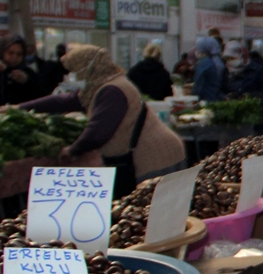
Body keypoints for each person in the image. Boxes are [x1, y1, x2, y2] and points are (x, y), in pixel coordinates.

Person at [17, 45, 185, 198]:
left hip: (155, 157)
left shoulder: (112, 90)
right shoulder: (100, 87)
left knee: (153, 211)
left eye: (74, 70)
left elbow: (98, 132)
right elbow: (63, 101)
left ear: (88, 68)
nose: (72, 75)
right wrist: (19, 108)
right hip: (147, 155)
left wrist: (72, 151)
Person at [0, 35, 44, 105]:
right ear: (2, 52)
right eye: (10, 53)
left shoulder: (28, 73)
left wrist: (26, 81)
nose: (14, 57)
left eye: (19, 54)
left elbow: (40, 97)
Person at [191, 36, 226, 102]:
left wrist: (193, 97)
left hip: (206, 99)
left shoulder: (203, 64)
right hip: (217, 99)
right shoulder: (218, 61)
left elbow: (199, 85)